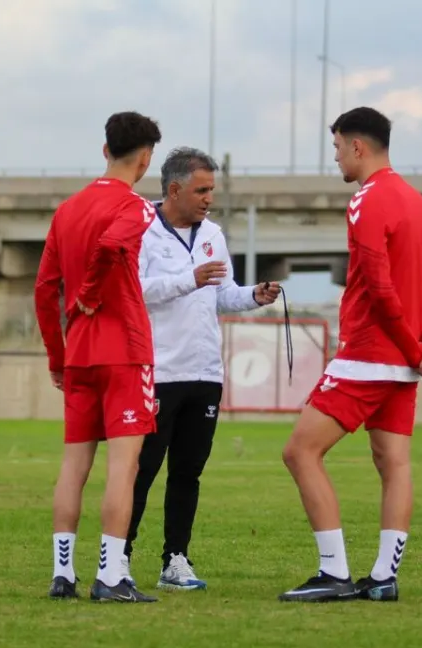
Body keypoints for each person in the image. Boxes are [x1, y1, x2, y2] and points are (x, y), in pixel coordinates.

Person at [277, 106, 422, 603]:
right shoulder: (417, 203)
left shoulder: (365, 201)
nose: (335, 159)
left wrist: (416, 349)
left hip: (370, 354)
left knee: (299, 451)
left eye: (336, 149)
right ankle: (383, 576)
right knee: (393, 462)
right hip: (402, 363)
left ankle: (334, 572)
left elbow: (377, 286)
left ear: (357, 147)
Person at [122, 146, 282, 591]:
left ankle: (176, 559)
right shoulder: (142, 230)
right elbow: (134, 290)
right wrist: (187, 280)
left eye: (211, 189)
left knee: (188, 472)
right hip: (159, 373)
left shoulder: (213, 233)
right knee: (143, 469)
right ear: (174, 190)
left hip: (205, 373)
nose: (209, 198)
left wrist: (253, 296)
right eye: (202, 190)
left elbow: (221, 293)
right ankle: (120, 556)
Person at [34, 111, 165, 603]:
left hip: (81, 356)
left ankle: (62, 573)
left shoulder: (66, 210)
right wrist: (90, 291)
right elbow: (112, 248)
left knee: (74, 466)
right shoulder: (136, 208)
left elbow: (45, 289)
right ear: (146, 157)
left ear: (105, 150)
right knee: (123, 467)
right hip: (126, 351)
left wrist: (56, 355)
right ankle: (111, 576)